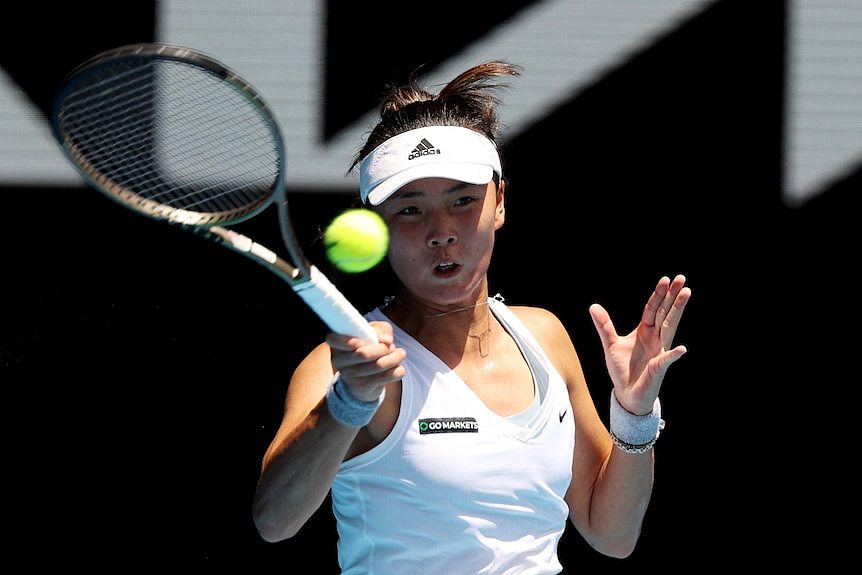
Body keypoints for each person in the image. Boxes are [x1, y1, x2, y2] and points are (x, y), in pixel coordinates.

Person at [252, 60, 692, 574]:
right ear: (379, 225)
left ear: (499, 203)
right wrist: (349, 403)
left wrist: (634, 417)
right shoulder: (343, 366)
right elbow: (274, 521)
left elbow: (611, 533)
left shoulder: (545, 336)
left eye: (463, 201)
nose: (442, 231)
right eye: (411, 210)